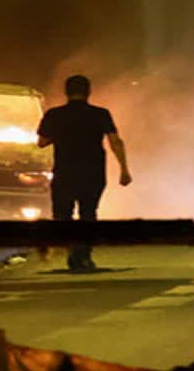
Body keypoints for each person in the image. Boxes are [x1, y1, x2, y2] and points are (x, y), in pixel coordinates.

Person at [37, 74, 132, 271]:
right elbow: (115, 141)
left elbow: (42, 142)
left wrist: (62, 134)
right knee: (88, 213)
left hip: (65, 171)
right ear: (88, 92)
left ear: (67, 92)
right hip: (93, 172)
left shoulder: (54, 115)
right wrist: (124, 169)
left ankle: (73, 250)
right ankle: (84, 255)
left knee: (63, 214)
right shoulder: (101, 114)